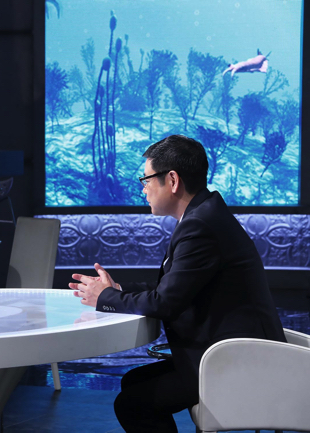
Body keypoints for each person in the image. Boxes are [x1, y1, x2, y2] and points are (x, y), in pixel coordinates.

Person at [70, 135, 285, 432]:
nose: (143, 189)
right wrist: (116, 293)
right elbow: (173, 289)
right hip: (225, 352)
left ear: (172, 180)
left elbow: (166, 303)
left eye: (146, 180)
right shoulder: (204, 213)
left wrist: (105, 297)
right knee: (133, 382)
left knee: (132, 404)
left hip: (238, 362)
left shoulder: (200, 224)